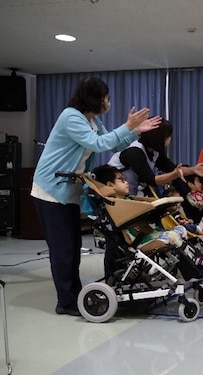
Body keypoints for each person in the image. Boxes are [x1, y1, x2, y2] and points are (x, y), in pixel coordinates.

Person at [31, 77, 161, 316]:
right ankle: (66, 302)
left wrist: (133, 130)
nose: (108, 102)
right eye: (106, 97)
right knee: (63, 248)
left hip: (67, 191)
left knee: (74, 245)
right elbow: (98, 143)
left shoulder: (92, 120)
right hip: (49, 191)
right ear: (94, 98)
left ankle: (75, 295)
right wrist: (127, 125)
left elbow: (113, 144)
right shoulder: (70, 116)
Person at [92, 166, 203, 269]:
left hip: (147, 234)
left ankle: (196, 257)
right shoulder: (119, 205)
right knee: (173, 236)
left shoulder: (128, 200)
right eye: (122, 180)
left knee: (180, 229)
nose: (127, 182)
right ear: (110, 185)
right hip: (139, 241)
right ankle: (194, 261)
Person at [108, 119, 203, 197]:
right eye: (168, 136)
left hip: (132, 191)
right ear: (158, 137)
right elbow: (152, 180)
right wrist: (174, 174)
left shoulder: (155, 152)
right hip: (114, 191)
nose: (170, 139)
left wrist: (192, 170)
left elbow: (173, 169)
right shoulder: (135, 152)